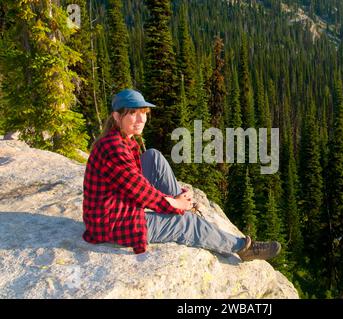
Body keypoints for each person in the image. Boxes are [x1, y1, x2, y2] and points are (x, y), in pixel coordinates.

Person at [82, 88, 281, 261]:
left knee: (153, 157)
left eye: (143, 112)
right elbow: (139, 191)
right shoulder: (114, 147)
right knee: (187, 224)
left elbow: (133, 183)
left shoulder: (122, 139)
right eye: (133, 113)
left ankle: (182, 207)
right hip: (112, 222)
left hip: (116, 204)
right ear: (117, 117)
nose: (142, 118)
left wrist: (175, 199)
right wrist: (172, 203)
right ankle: (242, 248)